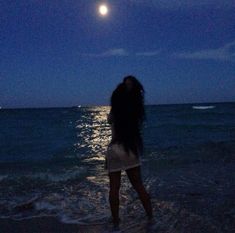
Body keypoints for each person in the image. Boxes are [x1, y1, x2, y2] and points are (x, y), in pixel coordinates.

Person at [105, 75, 153, 228]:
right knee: (139, 186)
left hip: (114, 149)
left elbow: (110, 119)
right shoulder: (134, 112)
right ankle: (151, 218)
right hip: (129, 149)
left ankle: (115, 222)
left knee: (114, 188)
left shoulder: (114, 113)